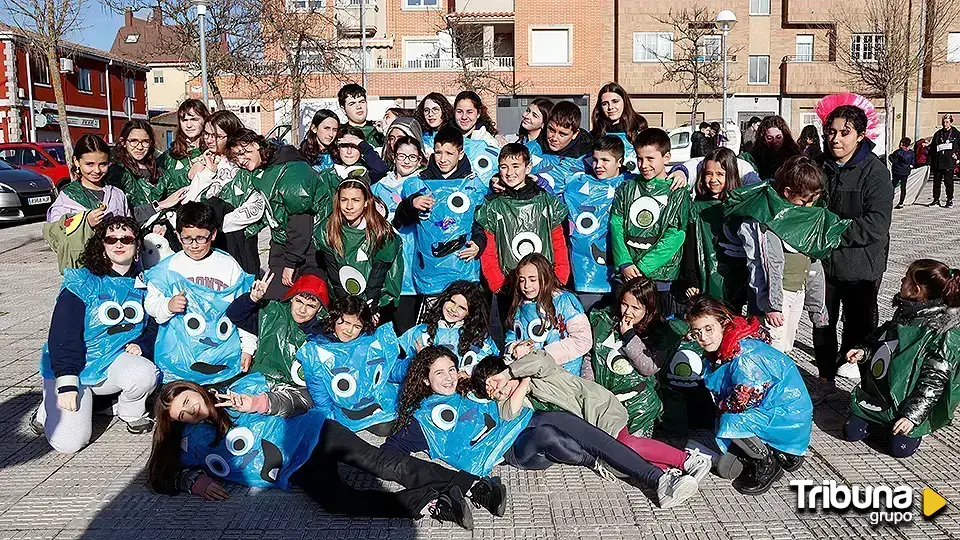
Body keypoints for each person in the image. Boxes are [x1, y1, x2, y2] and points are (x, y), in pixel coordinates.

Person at [147, 374, 497, 530]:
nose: (191, 411)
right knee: (335, 501)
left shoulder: (239, 390)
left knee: (380, 463)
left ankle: (475, 485)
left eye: (190, 401)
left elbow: (302, 398)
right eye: (182, 413)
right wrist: (193, 481)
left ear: (197, 391)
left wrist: (260, 403)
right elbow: (160, 475)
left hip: (315, 433)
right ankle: (431, 502)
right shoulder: (190, 444)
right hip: (295, 468)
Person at [387, 346, 700, 509]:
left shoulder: (469, 393)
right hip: (508, 450)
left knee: (556, 426)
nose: (449, 376)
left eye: (452, 369)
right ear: (425, 379)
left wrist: (511, 377)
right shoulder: (422, 417)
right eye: (439, 372)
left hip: (524, 426)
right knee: (554, 431)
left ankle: (659, 479)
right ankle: (652, 474)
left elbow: (508, 404)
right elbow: (391, 452)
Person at [473, 350, 711, 480]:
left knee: (623, 444)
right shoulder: (513, 399)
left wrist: (513, 372)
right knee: (619, 463)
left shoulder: (540, 374)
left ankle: (686, 459)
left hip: (598, 409)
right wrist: (518, 384)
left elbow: (542, 359)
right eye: (490, 390)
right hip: (587, 432)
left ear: (505, 371)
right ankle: (669, 471)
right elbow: (509, 415)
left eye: (495, 382)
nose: (496, 390)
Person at [35, 215, 160, 452]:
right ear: (101, 245)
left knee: (146, 373)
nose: (118, 244)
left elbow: (154, 323)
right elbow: (64, 334)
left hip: (112, 361)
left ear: (136, 247)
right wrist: (67, 381)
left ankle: (129, 412)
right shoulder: (83, 281)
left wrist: (143, 344)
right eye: (111, 239)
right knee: (69, 444)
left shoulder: (145, 283)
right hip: (74, 364)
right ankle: (47, 404)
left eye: (126, 238)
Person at [685, 295, 812, 495]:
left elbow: (743, 400)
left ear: (723, 322)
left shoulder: (743, 354)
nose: (703, 337)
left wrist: (720, 411)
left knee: (729, 421)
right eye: (697, 332)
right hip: (779, 411)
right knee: (727, 469)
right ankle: (781, 451)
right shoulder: (727, 345)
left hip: (787, 415)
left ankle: (767, 462)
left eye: (708, 329)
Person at [812, 104, 893, 402]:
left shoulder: (875, 172)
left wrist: (832, 231)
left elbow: (876, 224)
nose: (836, 139)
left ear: (860, 135)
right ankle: (824, 377)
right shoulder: (819, 166)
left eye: (845, 133)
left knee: (860, 328)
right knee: (822, 322)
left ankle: (866, 387)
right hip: (823, 266)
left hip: (862, 266)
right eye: (831, 132)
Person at [844, 259, 960, 458]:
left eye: (905, 279)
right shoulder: (906, 311)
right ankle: (882, 418)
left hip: (912, 402)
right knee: (851, 432)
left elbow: (933, 383)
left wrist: (911, 417)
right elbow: (882, 340)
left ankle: (913, 424)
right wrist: (864, 351)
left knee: (900, 450)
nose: (901, 280)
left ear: (916, 290)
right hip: (881, 393)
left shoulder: (939, 332)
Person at [732, 156, 845, 353]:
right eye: (804, 201)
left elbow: (813, 264)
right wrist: (771, 305)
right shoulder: (769, 220)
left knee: (786, 347)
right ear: (787, 193)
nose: (808, 207)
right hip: (777, 295)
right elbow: (764, 264)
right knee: (772, 346)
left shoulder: (806, 216)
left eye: (813, 201)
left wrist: (817, 306)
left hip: (798, 292)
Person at [144, 202, 256, 385]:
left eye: (201, 238)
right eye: (187, 238)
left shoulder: (229, 266)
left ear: (213, 234)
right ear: (178, 236)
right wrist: (167, 306)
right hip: (179, 362)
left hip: (224, 358)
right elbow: (150, 304)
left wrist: (248, 348)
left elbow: (243, 309)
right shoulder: (168, 267)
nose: (194, 245)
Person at [588, 277, 711, 438]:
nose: (627, 312)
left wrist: (629, 336)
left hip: (638, 401)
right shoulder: (605, 322)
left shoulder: (659, 332)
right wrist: (590, 386)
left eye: (635, 308)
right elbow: (592, 356)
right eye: (624, 304)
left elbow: (649, 367)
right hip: (605, 396)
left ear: (648, 309)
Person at [393, 126, 487, 303]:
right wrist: (411, 204)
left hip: (462, 269)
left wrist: (478, 245)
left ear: (460, 154)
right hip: (430, 273)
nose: (443, 159)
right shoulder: (417, 184)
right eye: (438, 153)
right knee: (433, 325)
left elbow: (481, 224)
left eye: (449, 153)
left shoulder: (474, 185)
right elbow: (400, 220)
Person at [227, 129, 323, 300]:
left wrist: (291, 262)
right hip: (281, 242)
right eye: (236, 157)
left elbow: (300, 220)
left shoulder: (292, 170)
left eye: (243, 152)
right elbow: (272, 211)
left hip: (307, 248)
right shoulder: (262, 169)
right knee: (272, 298)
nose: (240, 160)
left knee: (302, 300)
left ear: (256, 144)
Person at [295, 296, 403, 435]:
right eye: (345, 322)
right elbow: (319, 390)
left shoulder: (367, 342)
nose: (349, 330)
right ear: (335, 318)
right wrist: (329, 421)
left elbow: (389, 368)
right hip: (342, 404)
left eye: (357, 326)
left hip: (370, 401)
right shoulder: (318, 349)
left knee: (388, 427)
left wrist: (416, 364)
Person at [610, 128, 689, 315]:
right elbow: (616, 224)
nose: (643, 165)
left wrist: (642, 267)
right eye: (639, 158)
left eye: (650, 159)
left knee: (658, 329)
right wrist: (624, 262)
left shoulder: (677, 192)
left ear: (666, 157)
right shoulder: (627, 188)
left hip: (661, 278)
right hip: (627, 274)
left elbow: (675, 235)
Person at [477, 143, 569, 296]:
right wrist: (497, 283)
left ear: (528, 168)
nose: (509, 172)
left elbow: (558, 243)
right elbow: (489, 251)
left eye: (515, 166)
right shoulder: (493, 206)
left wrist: (559, 278)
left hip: (545, 284)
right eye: (504, 167)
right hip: (508, 287)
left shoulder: (546, 201)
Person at [187, 110, 266, 275]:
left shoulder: (245, 162)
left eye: (216, 136)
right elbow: (191, 202)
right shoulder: (205, 161)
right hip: (209, 238)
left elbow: (256, 206)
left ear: (230, 135)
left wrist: (220, 225)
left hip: (238, 237)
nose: (209, 140)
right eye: (206, 134)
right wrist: (207, 172)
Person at [314, 175, 402, 315]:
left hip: (373, 296)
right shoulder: (328, 229)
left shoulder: (381, 232)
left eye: (356, 200)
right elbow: (334, 274)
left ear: (366, 202)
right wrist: (345, 306)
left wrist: (369, 306)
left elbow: (377, 277)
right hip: (341, 296)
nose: (349, 206)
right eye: (344, 200)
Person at [44, 135, 132, 273]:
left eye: (102, 164)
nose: (96, 170)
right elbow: (56, 238)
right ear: (76, 161)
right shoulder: (67, 198)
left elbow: (129, 229)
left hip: (119, 272)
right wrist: (85, 222)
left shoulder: (117, 195)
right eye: (89, 164)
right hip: (83, 273)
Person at [563, 135, 631, 312]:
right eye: (595, 160)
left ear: (620, 161)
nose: (598, 165)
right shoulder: (578, 184)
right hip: (586, 273)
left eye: (605, 160)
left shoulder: (631, 184)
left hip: (623, 270)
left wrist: (680, 172)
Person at [226, 272, 329, 385]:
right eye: (299, 301)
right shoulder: (272, 315)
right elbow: (235, 315)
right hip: (259, 381)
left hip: (295, 392)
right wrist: (252, 299)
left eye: (310, 306)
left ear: (319, 309)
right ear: (291, 298)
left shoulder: (324, 334)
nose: (302, 310)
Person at [677, 147, 747, 309]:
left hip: (736, 285)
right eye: (709, 174)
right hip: (703, 284)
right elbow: (689, 247)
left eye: (720, 174)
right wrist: (690, 279)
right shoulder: (696, 209)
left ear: (730, 174)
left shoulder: (743, 207)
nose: (713, 179)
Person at [371, 134, 425, 334]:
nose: (406, 161)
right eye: (402, 156)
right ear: (394, 156)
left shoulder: (423, 185)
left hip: (410, 267)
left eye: (412, 157)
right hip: (383, 265)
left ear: (420, 159)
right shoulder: (377, 187)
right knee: (383, 330)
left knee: (406, 328)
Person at [504, 253, 589, 375]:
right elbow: (511, 337)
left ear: (545, 277)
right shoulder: (519, 306)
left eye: (533, 279)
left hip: (562, 375)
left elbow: (583, 339)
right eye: (522, 280)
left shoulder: (564, 300)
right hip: (530, 375)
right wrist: (514, 349)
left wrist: (542, 355)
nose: (527, 286)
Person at [398, 280, 499, 374]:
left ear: (469, 313)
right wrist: (417, 361)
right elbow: (397, 369)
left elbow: (491, 365)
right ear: (444, 299)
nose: (453, 309)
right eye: (452, 302)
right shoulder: (421, 331)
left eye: (462, 308)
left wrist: (469, 371)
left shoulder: (478, 335)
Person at [106, 120, 187, 227]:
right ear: (123, 142)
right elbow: (122, 213)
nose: (139, 147)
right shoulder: (117, 173)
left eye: (145, 141)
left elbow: (174, 200)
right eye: (133, 141)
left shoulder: (160, 172)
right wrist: (160, 205)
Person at [526, 101, 592, 195]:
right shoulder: (530, 149)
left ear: (575, 134)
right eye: (551, 130)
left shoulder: (591, 155)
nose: (554, 138)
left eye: (562, 134)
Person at [590, 83, 646, 173]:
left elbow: (657, 159)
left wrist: (677, 170)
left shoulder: (640, 131)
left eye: (615, 101)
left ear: (624, 102)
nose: (610, 107)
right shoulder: (594, 135)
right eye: (605, 104)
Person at [158, 99, 209, 197]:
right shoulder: (170, 155)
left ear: (204, 120)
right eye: (184, 120)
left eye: (194, 119)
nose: (189, 125)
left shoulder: (214, 150)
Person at [740, 116, 802, 181]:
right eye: (769, 138)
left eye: (778, 137)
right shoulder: (753, 157)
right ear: (762, 138)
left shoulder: (794, 156)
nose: (774, 141)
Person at [928, 114, 959, 207]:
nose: (945, 124)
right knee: (936, 182)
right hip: (938, 161)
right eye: (943, 122)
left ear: (951, 122)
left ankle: (949, 199)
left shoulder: (956, 134)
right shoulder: (938, 133)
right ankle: (936, 199)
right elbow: (933, 148)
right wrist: (929, 161)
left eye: (947, 122)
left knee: (948, 182)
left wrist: (957, 156)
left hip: (948, 161)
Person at [889, 137, 915, 209]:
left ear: (901, 144)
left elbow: (893, 160)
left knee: (892, 186)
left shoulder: (898, 152)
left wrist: (890, 157)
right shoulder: (911, 153)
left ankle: (890, 200)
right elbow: (913, 163)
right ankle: (901, 203)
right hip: (905, 172)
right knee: (903, 187)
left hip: (897, 172)